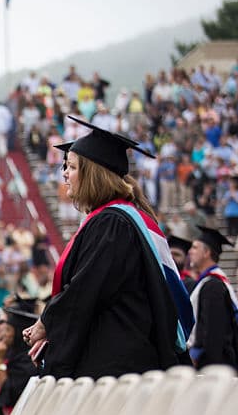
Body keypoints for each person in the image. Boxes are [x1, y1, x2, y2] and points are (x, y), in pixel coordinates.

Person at [22, 117, 193, 378]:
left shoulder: (113, 224)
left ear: (92, 175)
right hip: (118, 358)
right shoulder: (117, 219)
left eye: (72, 167)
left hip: (117, 366)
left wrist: (48, 323)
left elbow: (86, 290)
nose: (65, 174)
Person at [186, 227, 238, 370]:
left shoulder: (213, 285)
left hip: (212, 364)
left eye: (195, 247)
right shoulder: (210, 282)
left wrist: (200, 358)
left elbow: (213, 332)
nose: (190, 251)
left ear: (206, 252)